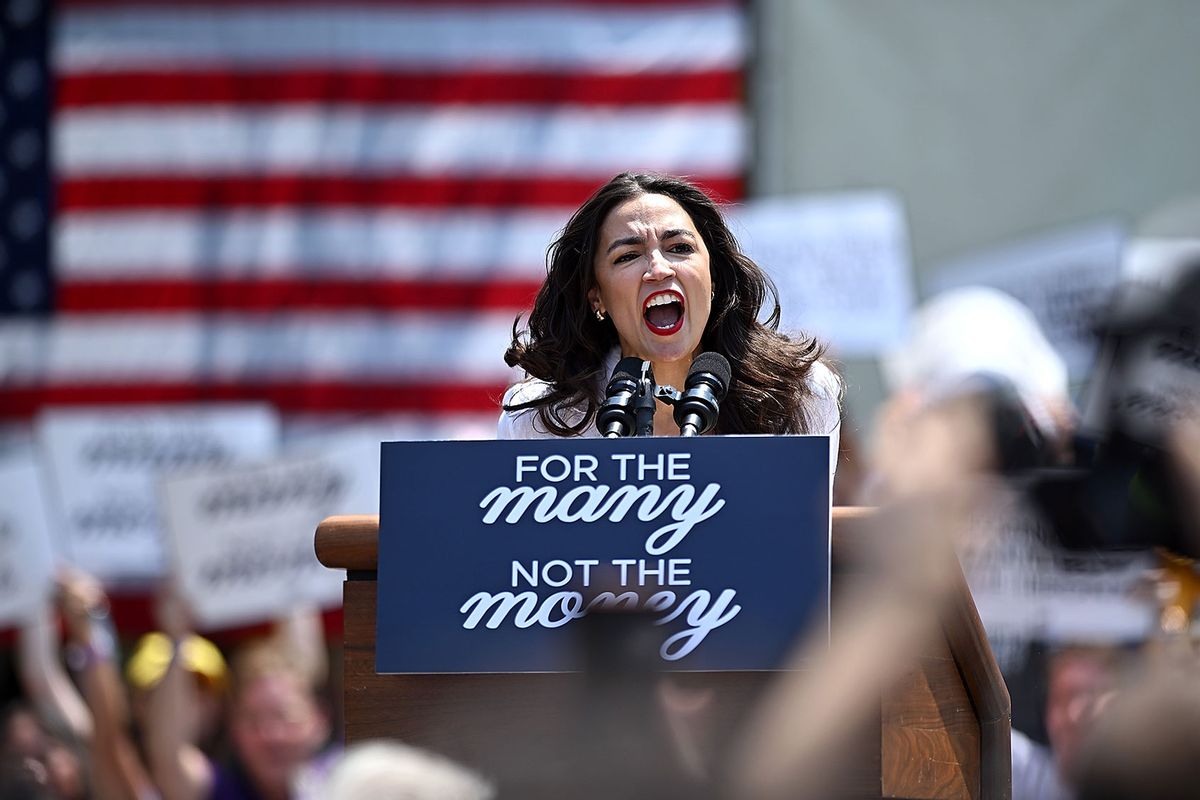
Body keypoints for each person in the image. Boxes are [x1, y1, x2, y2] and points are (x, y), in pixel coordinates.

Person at [499, 172, 842, 457]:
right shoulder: (539, 420)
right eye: (628, 256)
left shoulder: (801, 395)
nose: (658, 269)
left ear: (713, 279)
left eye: (679, 248)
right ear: (597, 296)